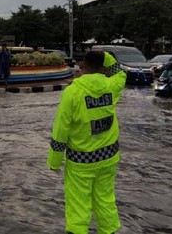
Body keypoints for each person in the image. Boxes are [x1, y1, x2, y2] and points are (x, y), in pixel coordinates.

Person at [48, 50, 127, 234]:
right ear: (102, 68)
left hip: (81, 163)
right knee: (106, 202)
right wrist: (104, 55)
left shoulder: (73, 92)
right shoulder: (111, 86)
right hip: (108, 158)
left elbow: (61, 129)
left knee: (78, 208)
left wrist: (54, 161)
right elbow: (120, 72)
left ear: (82, 66)